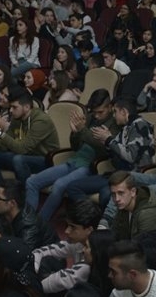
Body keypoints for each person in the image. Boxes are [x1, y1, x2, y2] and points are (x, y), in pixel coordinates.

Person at [25, 88, 117, 221]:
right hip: (74, 160)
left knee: (59, 185)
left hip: (92, 167)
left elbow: (104, 148)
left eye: (100, 112)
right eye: (94, 112)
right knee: (31, 182)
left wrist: (83, 131)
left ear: (110, 107)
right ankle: (29, 221)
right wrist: (75, 133)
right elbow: (75, 146)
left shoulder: (115, 124)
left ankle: (39, 225)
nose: (96, 115)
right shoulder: (90, 118)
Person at [0, 88, 60, 193]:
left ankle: (24, 196)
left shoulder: (41, 120)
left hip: (45, 160)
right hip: (26, 156)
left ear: (26, 107)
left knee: (18, 159)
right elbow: (3, 147)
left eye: (14, 107)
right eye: (10, 107)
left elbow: (22, 149)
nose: (11, 111)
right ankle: (2, 195)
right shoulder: (17, 119)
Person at [0, 180, 56, 251]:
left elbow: (23, 256)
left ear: (12, 203)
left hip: (48, 258)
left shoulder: (29, 227)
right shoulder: (3, 212)